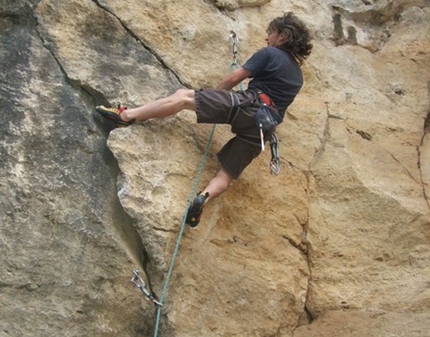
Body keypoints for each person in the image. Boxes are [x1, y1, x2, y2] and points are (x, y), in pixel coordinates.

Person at [96, 12, 312, 227]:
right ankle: (204, 197)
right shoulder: (298, 77)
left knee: (182, 96)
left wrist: (215, 97)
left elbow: (235, 78)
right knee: (226, 174)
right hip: (263, 130)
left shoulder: (270, 53)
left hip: (248, 106)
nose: (267, 38)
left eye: (271, 33)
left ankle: (126, 116)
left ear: (282, 36)